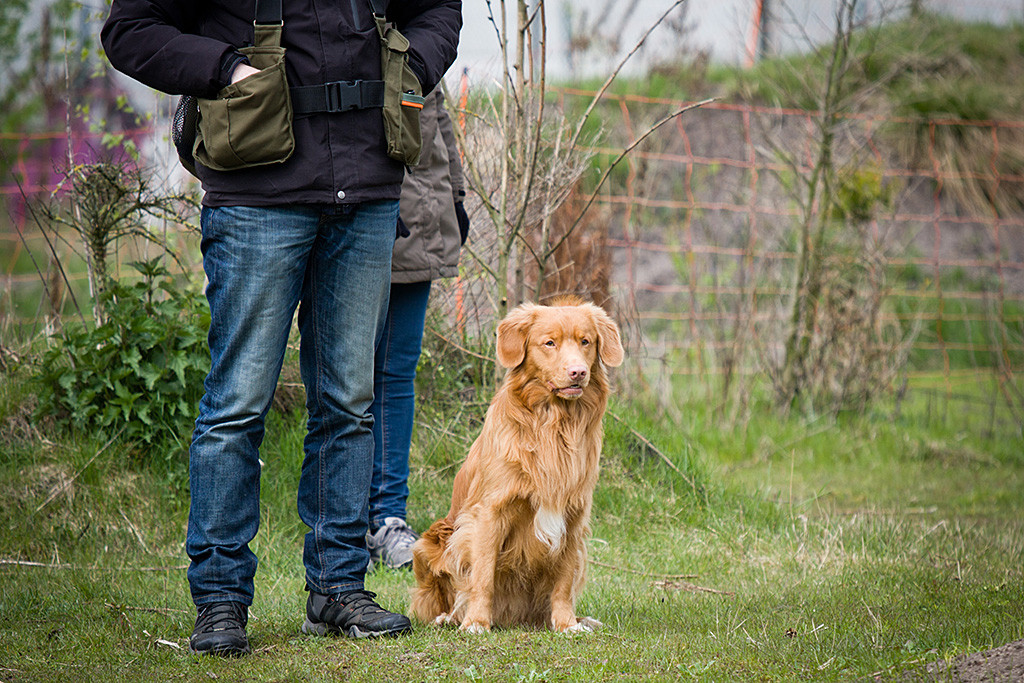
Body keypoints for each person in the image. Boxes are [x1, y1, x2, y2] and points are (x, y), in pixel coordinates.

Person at [101, 0, 461, 657]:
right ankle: (220, 600)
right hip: (255, 194)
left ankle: (337, 590)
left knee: (349, 404)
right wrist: (223, 68)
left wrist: (412, 68)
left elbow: (438, 7)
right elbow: (130, 31)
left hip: (368, 184)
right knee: (237, 405)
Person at [367, 89, 468, 569]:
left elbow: (437, 116)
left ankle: (387, 518)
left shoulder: (418, 30)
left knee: (396, 370)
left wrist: (457, 196)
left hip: (418, 218)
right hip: (347, 211)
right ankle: (341, 525)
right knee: (341, 374)